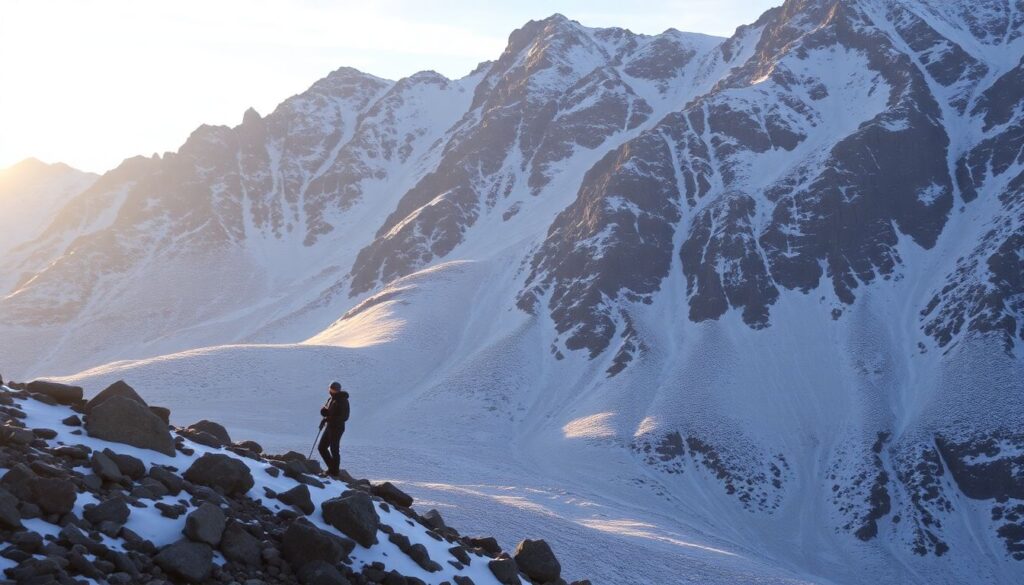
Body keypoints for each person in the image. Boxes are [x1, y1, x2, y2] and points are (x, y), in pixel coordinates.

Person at [317, 381, 349, 477]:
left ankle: (334, 472)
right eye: (330, 389)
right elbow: (328, 410)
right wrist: (324, 412)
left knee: (334, 449)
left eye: (333, 389)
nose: (331, 391)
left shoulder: (343, 400)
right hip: (330, 426)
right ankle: (332, 469)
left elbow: (345, 417)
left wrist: (328, 418)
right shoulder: (331, 399)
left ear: (338, 390)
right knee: (322, 447)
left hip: (337, 428)